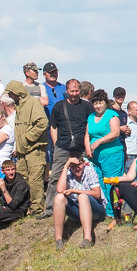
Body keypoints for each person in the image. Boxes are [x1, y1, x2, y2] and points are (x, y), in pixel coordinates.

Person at [44, 79, 93, 217]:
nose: (74, 94)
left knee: (85, 175)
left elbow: (90, 126)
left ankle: (85, 205)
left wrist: (87, 146)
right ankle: (49, 208)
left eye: (77, 90)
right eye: (72, 91)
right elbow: (53, 126)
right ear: (67, 91)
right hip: (62, 146)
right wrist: (55, 144)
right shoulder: (59, 106)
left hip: (81, 147)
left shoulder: (86, 106)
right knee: (55, 177)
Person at [6, 81, 48, 215]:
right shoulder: (19, 106)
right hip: (22, 151)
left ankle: (37, 208)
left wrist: (27, 138)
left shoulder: (33, 103)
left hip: (35, 149)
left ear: (18, 92)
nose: (11, 96)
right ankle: (25, 207)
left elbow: (42, 123)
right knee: (22, 179)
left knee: (35, 179)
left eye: (12, 94)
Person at [53, 152, 106, 249]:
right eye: (73, 166)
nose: (77, 168)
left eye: (79, 165)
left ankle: (88, 238)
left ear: (83, 163)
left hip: (96, 209)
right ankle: (58, 239)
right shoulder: (68, 173)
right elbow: (60, 190)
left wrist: (75, 191)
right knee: (59, 197)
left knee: (82, 196)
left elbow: (97, 194)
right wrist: (65, 167)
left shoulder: (89, 170)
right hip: (78, 210)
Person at [85, 89, 124, 215]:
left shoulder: (111, 115)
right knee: (99, 182)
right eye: (95, 103)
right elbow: (87, 134)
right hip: (95, 156)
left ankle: (114, 212)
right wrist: (87, 148)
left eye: (100, 103)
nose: (98, 106)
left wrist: (99, 142)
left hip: (111, 155)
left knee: (111, 183)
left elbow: (115, 133)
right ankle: (104, 209)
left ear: (105, 103)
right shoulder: (91, 117)